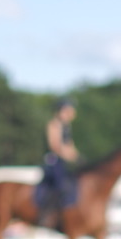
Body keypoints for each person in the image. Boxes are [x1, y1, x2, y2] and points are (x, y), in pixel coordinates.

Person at [36, 98, 80, 229]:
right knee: (60, 185)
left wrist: (78, 158)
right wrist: (69, 156)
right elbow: (55, 146)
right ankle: (47, 214)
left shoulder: (67, 126)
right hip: (53, 160)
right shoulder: (54, 124)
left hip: (64, 160)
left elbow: (70, 145)